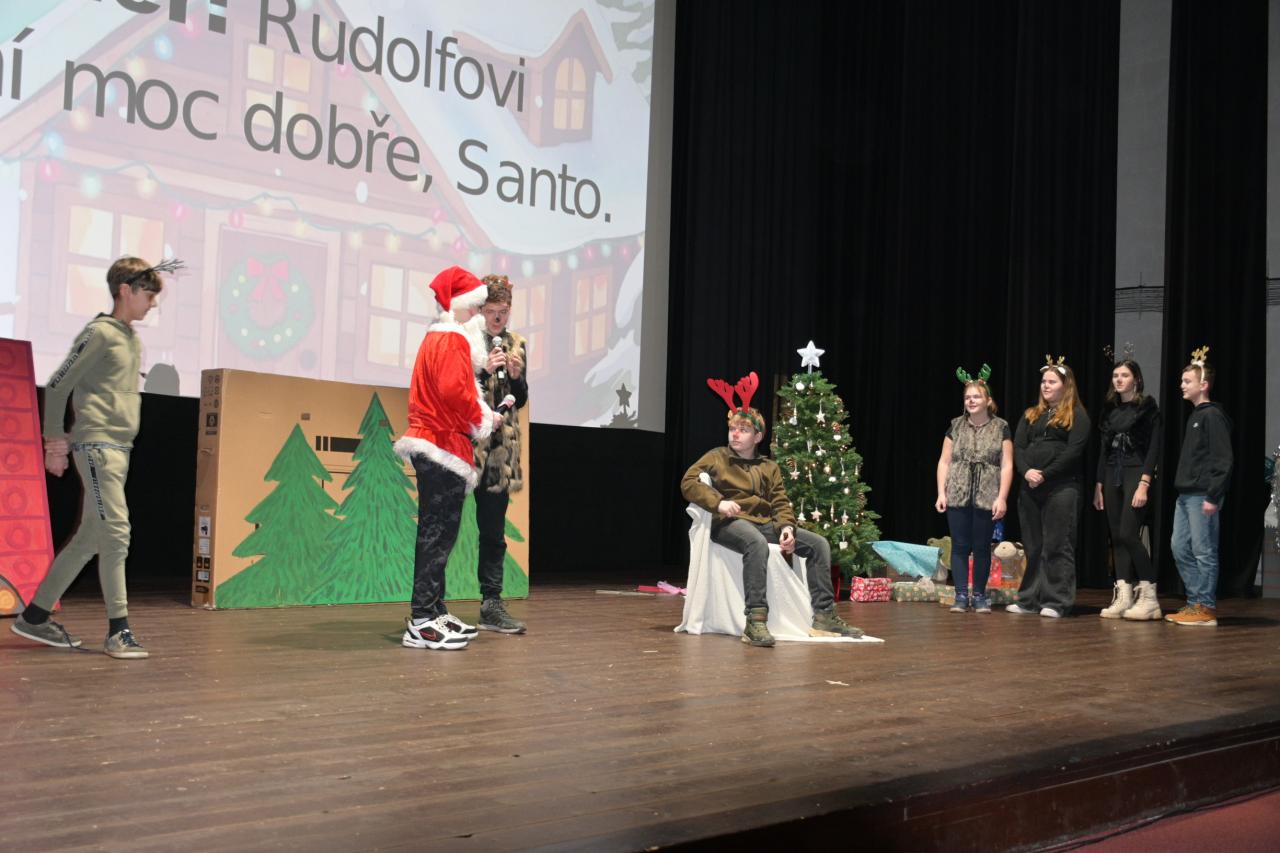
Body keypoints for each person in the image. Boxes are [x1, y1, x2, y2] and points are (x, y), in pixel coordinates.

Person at [10, 256, 182, 659]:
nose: (152, 303)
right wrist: (55, 443)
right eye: (148, 295)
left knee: (90, 538)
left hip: (119, 449)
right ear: (125, 290)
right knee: (117, 534)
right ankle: (119, 630)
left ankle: (34, 616)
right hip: (97, 448)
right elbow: (58, 385)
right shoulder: (100, 333)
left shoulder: (130, 339)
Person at [680, 372, 863, 647]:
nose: (735, 434)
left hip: (763, 522)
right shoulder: (717, 457)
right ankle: (755, 620)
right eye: (732, 429)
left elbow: (780, 501)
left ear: (758, 436)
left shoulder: (770, 467)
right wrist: (718, 502)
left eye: (743, 430)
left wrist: (787, 527)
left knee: (819, 544)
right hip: (729, 522)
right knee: (755, 543)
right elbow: (689, 481)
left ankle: (824, 616)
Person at [394, 266, 504, 651]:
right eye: (474, 306)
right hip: (440, 445)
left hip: (437, 444)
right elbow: (454, 392)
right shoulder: (451, 337)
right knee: (437, 535)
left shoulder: (438, 337)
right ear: (460, 305)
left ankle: (434, 610)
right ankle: (423, 618)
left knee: (439, 534)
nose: (477, 314)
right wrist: (484, 417)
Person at [1007, 356, 1091, 618]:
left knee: (1057, 544)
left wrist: (1045, 473)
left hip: (1061, 487)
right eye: (1044, 381)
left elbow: (1073, 452)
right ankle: (1029, 600)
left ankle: (1056, 601)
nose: (1046, 385)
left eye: (1052, 382)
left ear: (1066, 385)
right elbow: (1018, 448)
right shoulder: (1031, 415)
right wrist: (1026, 471)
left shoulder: (1077, 415)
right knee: (1033, 546)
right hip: (1030, 486)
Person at [468, 274, 528, 634]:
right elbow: (455, 388)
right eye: (492, 311)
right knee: (444, 529)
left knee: (493, 533)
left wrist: (517, 379)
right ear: (480, 309)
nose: (497, 318)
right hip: (464, 447)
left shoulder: (516, 343)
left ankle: (491, 604)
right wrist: (481, 368)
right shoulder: (466, 340)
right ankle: (430, 605)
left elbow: (520, 399)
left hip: (498, 453)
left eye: (503, 312)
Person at [934, 365, 1013, 614]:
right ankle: (960, 595)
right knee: (959, 545)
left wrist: (1002, 498)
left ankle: (979, 595)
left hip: (987, 495)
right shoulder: (955, 426)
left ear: (988, 400)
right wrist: (941, 492)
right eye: (968, 397)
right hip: (957, 493)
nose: (971, 400)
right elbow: (944, 462)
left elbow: (1007, 465)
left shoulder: (1001, 427)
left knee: (981, 547)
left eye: (976, 396)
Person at [1166, 346, 1233, 627]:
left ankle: (1206, 606)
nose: (1182, 385)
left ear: (1203, 385)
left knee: (1204, 551)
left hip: (1203, 494)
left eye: (1187, 381)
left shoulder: (1212, 416)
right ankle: (1196, 602)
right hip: (1185, 494)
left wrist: (1213, 495)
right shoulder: (1195, 415)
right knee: (1179, 547)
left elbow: (1223, 459)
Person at [1093, 357, 1163, 620]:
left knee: (1128, 533)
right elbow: (1103, 451)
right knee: (1116, 536)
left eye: (1124, 375)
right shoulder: (1109, 410)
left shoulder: (1147, 408)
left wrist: (1144, 483)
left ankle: (1149, 596)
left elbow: (1154, 449)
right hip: (1112, 473)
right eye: (1115, 376)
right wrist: (1099, 484)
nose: (1118, 380)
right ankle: (1123, 594)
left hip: (1136, 471)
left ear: (1136, 379)